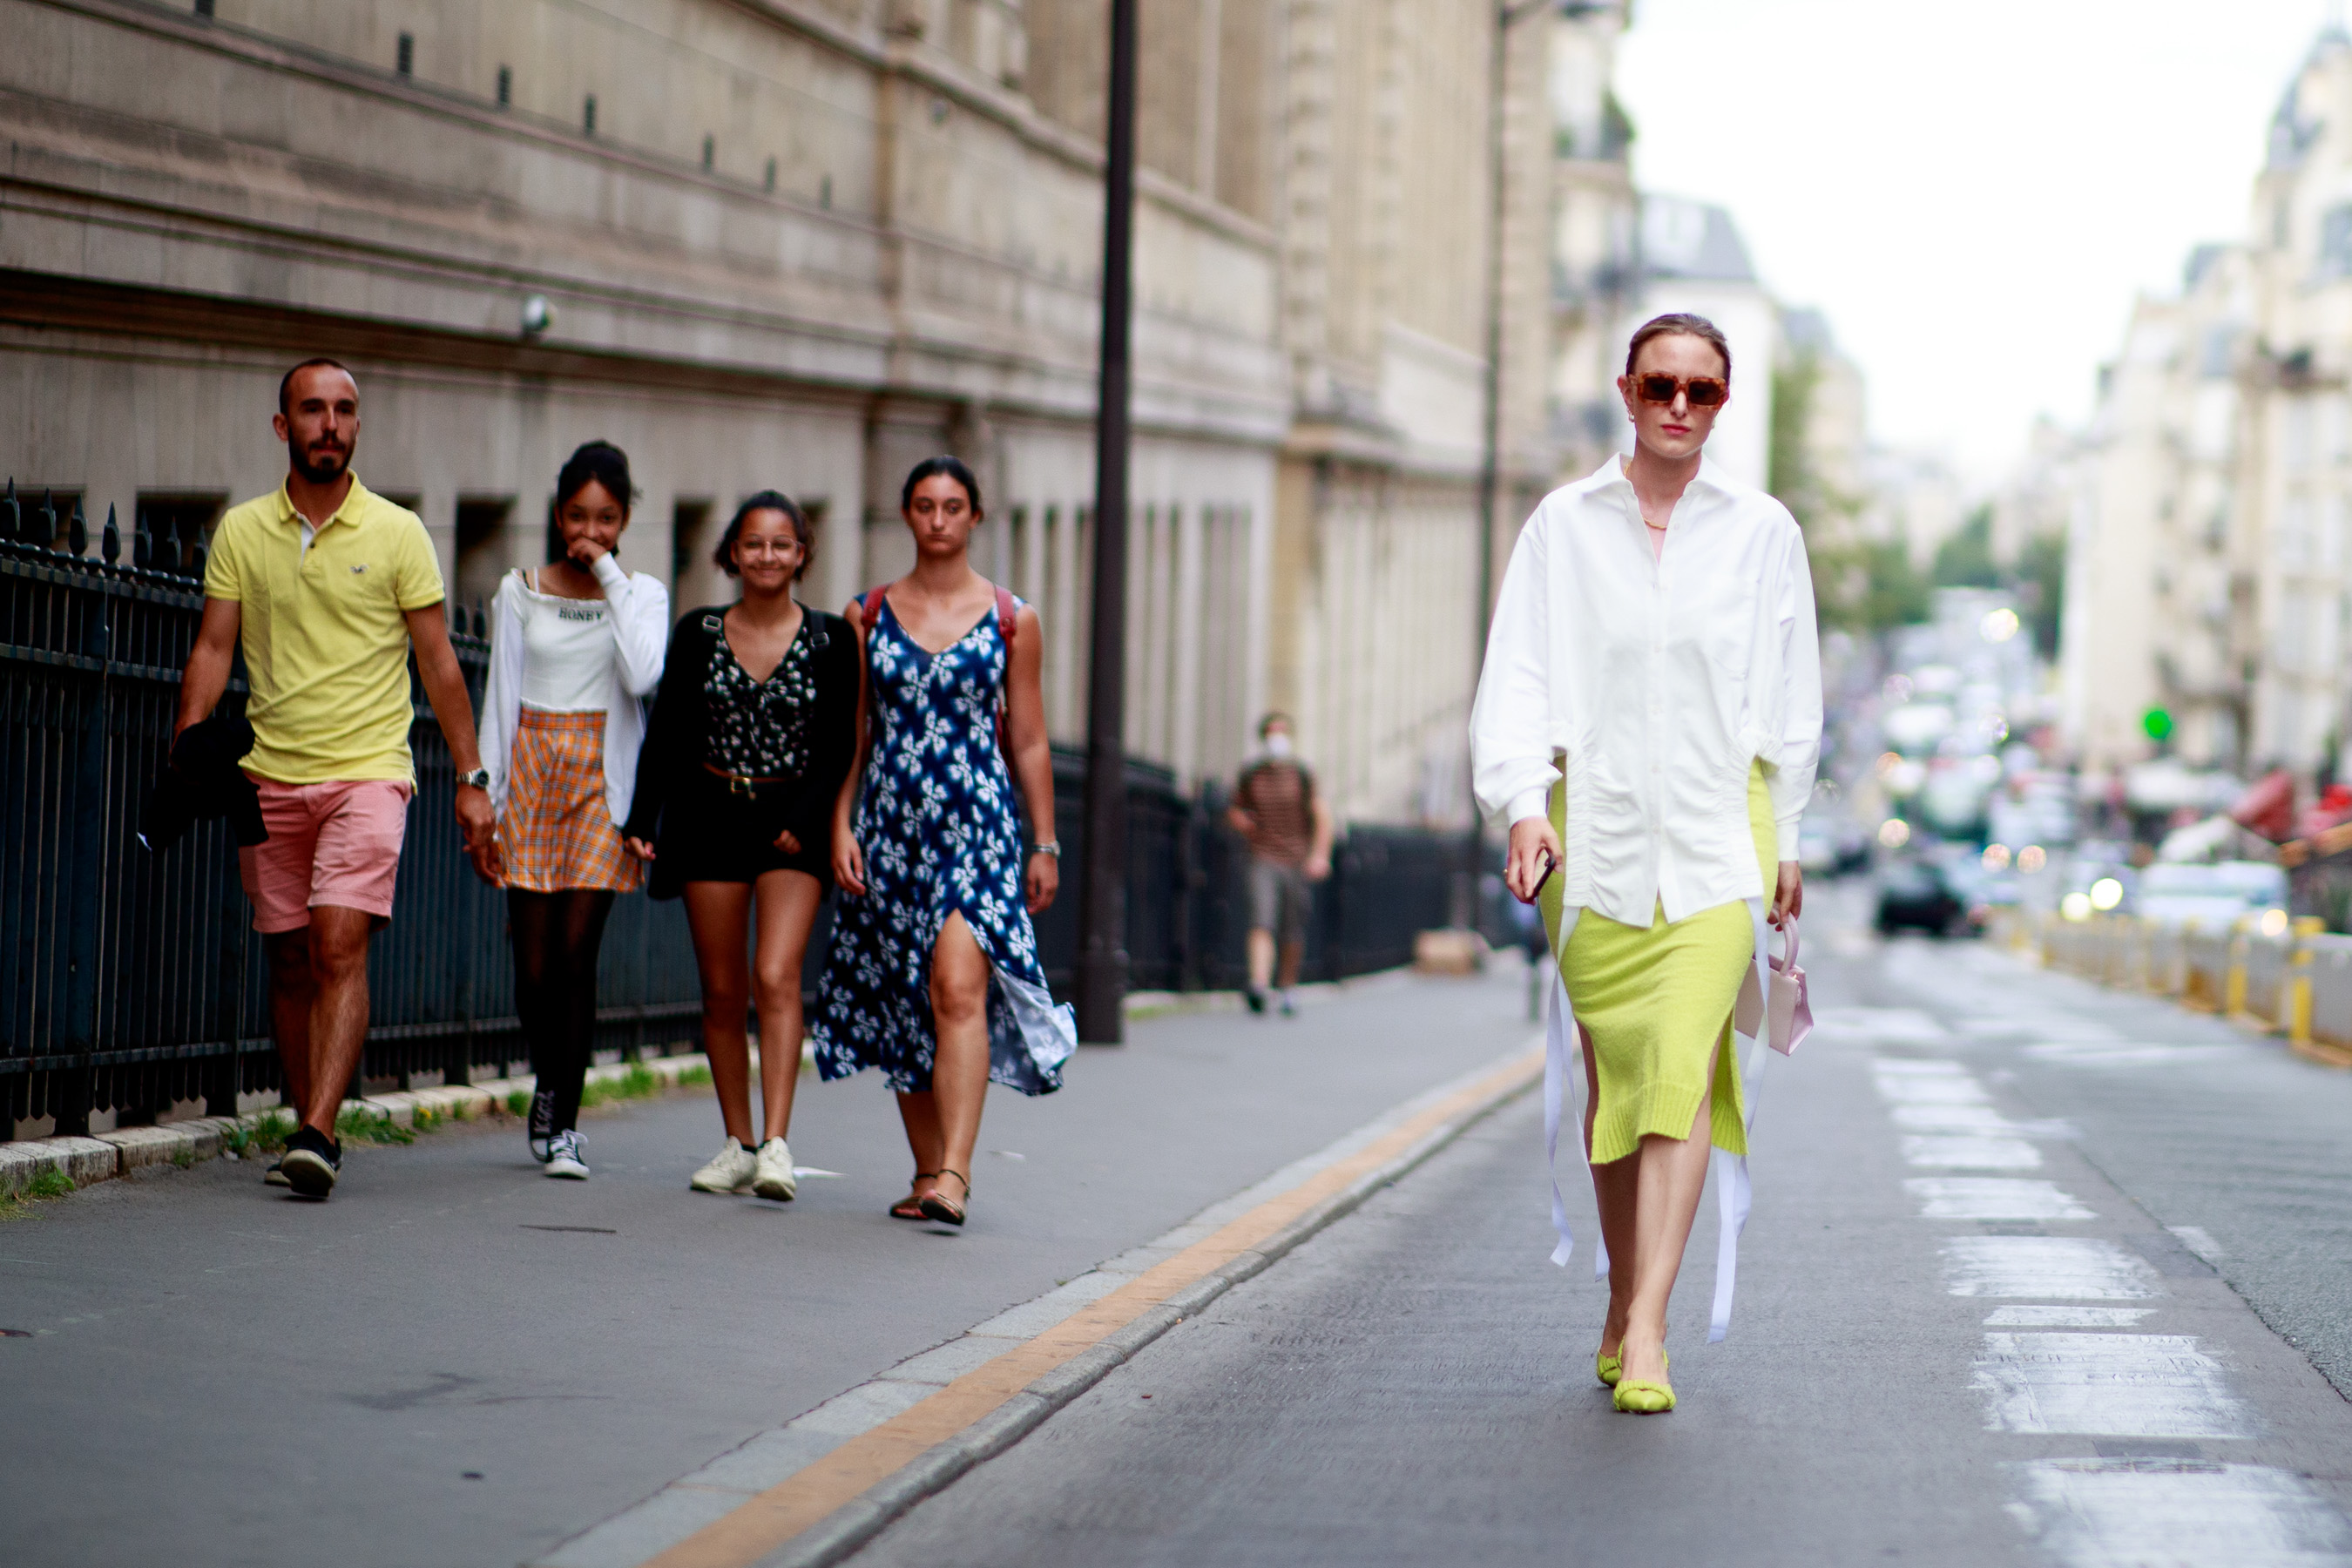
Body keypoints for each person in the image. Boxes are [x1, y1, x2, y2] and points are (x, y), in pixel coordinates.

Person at [1470, 313, 1821, 1415]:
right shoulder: (1561, 527)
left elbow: (1792, 694)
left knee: (1682, 1071)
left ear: (1725, 403)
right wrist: (1524, 805)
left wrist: (1792, 836)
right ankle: (1622, 1298)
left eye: (1703, 391)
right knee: (1613, 1076)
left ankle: (1653, 1328)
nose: (1679, 405)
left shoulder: (1764, 533)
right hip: (1595, 834)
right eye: (1661, 384)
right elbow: (1518, 674)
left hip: (1725, 832)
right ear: (1625, 389)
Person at [175, 357, 497, 1199]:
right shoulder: (244, 531)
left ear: (358, 426)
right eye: (312, 410)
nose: (330, 424)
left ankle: (320, 1128)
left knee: (337, 942)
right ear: (283, 427)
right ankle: (304, 1113)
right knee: (287, 960)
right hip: (267, 775)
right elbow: (213, 647)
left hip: (368, 773)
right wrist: (186, 745)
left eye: (345, 410)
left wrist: (471, 776)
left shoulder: (397, 533)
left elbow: (440, 664)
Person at [809, 456, 1072, 1227]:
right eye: (925, 505)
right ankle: (927, 1170)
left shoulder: (1010, 618)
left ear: (975, 517)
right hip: (891, 829)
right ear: (907, 514)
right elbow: (854, 734)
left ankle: (955, 1173)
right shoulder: (868, 614)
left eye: (953, 506)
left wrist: (1045, 842)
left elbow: (1029, 740)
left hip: (979, 827)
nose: (938, 519)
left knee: (958, 986)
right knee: (906, 996)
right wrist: (840, 823)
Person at [624, 493, 858, 1201]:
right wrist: (642, 817)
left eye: (781, 544)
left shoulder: (829, 639)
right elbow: (666, 732)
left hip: (792, 824)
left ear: (801, 555)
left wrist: (808, 817)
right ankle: (738, 1142)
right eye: (753, 544)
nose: (766, 556)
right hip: (709, 817)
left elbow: (842, 740)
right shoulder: (699, 632)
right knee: (722, 990)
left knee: (777, 974)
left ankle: (778, 1144)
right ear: (732, 553)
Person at [475, 441, 669, 1180]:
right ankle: (548, 1078)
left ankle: (563, 1121)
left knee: (576, 958)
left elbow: (642, 672)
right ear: (558, 515)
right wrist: (488, 801)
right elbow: (500, 695)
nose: (591, 530)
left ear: (623, 522)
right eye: (580, 515)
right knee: (532, 969)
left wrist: (609, 574)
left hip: (601, 783)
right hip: (531, 774)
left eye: (608, 518)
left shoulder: (640, 593)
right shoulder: (519, 589)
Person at [1227, 713, 1333, 1016]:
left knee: (1291, 928)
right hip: (1263, 855)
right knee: (1262, 918)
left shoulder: (1301, 773)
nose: (1277, 738)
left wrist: (1319, 855)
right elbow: (1236, 808)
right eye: (1271, 732)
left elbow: (1321, 816)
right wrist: (1242, 822)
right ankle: (1259, 984)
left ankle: (1287, 986)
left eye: (1282, 732)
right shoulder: (1252, 774)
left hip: (1296, 858)